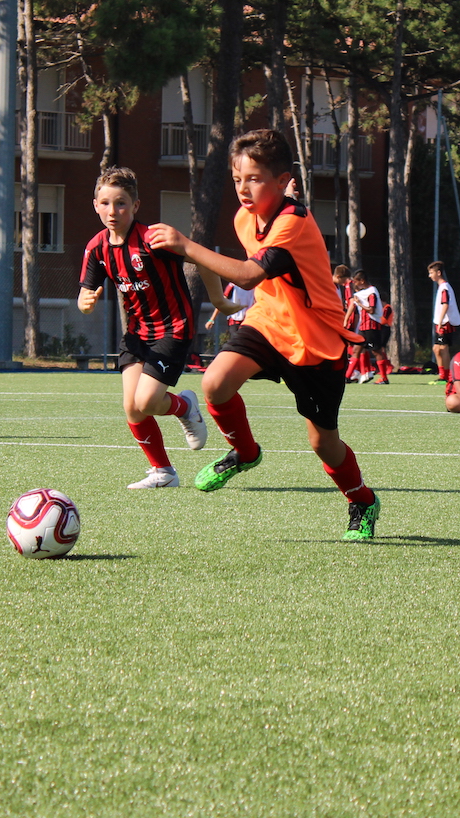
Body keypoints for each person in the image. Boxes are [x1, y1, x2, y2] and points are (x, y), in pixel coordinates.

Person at [148, 129, 381, 541]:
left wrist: (185, 244)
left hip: (315, 341)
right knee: (215, 383)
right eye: (237, 178)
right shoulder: (245, 217)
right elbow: (246, 271)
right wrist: (218, 299)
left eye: (254, 179)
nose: (243, 188)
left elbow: (248, 274)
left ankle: (362, 500)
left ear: (281, 180)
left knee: (323, 443)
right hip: (269, 322)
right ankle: (245, 451)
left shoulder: (293, 223)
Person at [77, 167, 210, 489]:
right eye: (105, 203)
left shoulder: (154, 239)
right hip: (137, 333)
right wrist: (86, 303)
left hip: (173, 328)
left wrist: (219, 299)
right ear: (95, 205)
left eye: (121, 203)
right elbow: (84, 293)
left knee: (147, 402)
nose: (112, 211)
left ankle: (185, 407)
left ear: (135, 205)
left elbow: (203, 259)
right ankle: (164, 472)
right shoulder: (97, 248)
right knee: (132, 407)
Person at [343, 269, 391, 385]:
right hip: (363, 327)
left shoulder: (371, 293)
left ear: (362, 281)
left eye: (356, 281)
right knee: (356, 350)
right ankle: (347, 377)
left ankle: (384, 378)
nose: (355, 284)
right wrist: (346, 320)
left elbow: (371, 310)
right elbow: (352, 305)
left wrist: (360, 304)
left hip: (371, 326)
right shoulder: (362, 293)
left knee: (376, 351)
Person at [428, 261, 460, 383]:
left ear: (438, 273)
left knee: (443, 348)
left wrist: (441, 321)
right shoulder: (442, 287)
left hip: (445, 323)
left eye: (431, 273)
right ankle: (443, 375)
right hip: (441, 323)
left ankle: (446, 377)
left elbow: (445, 305)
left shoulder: (444, 288)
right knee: (437, 349)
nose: (430, 275)